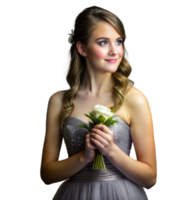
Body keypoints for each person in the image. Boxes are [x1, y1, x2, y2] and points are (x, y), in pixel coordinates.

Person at [39, 5, 158, 200]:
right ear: (82, 48)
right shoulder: (58, 101)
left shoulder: (135, 99)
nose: (115, 51)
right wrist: (83, 157)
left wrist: (111, 150)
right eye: (103, 42)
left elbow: (151, 178)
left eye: (118, 42)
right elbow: (46, 175)